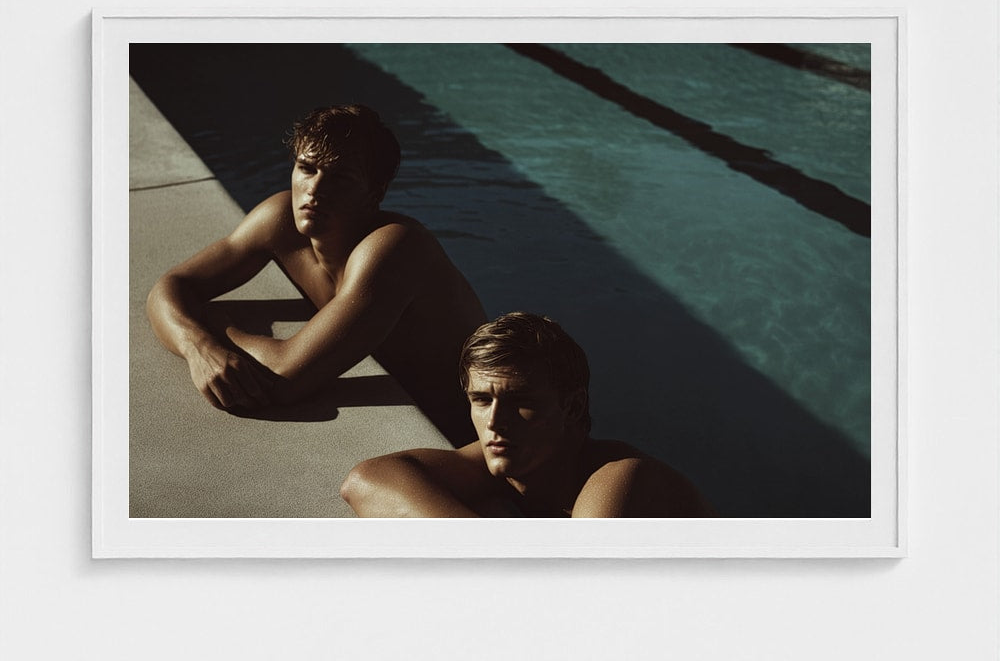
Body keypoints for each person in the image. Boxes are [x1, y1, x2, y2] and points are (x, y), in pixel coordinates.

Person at [146, 104, 486, 446]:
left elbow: (284, 379)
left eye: (339, 177)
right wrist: (198, 344)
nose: (315, 190)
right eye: (306, 168)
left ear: (375, 192)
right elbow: (169, 287)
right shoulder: (279, 220)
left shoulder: (396, 249)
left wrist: (215, 323)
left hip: (465, 437)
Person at [340, 312, 717, 517]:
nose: (494, 422)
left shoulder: (622, 479)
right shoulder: (515, 464)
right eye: (481, 400)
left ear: (573, 406)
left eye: (521, 401)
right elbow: (366, 480)